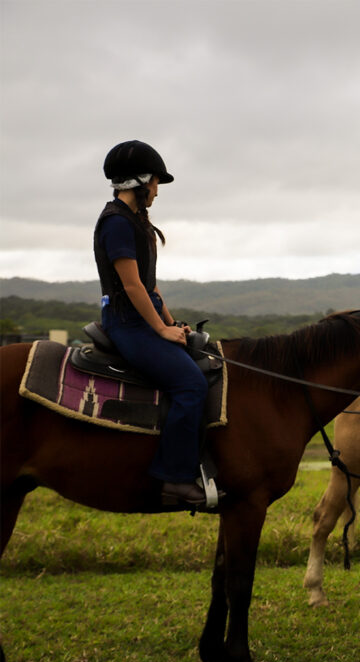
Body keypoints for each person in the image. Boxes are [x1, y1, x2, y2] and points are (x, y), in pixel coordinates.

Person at [94, 140, 209, 506]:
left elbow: (150, 284)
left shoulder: (137, 221)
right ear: (141, 182)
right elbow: (131, 286)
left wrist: (174, 323)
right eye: (156, 182)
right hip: (127, 325)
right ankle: (174, 479)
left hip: (145, 320)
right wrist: (160, 330)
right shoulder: (116, 223)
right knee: (191, 386)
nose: (158, 190)